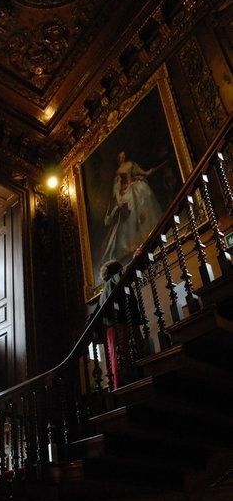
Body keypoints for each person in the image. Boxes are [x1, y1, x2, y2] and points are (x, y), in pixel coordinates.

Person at [101, 151, 165, 265]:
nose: (122, 157)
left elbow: (138, 171)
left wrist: (146, 173)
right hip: (126, 192)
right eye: (120, 156)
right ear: (117, 159)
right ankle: (136, 244)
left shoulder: (130, 164)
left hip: (134, 186)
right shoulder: (118, 172)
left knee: (144, 193)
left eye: (123, 155)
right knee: (130, 215)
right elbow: (116, 188)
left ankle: (152, 232)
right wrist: (119, 199)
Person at [98, 259, 142, 390]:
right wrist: (136, 257)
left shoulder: (104, 291)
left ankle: (119, 387)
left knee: (116, 358)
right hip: (123, 324)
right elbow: (125, 273)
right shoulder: (114, 280)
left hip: (113, 328)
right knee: (129, 356)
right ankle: (129, 387)